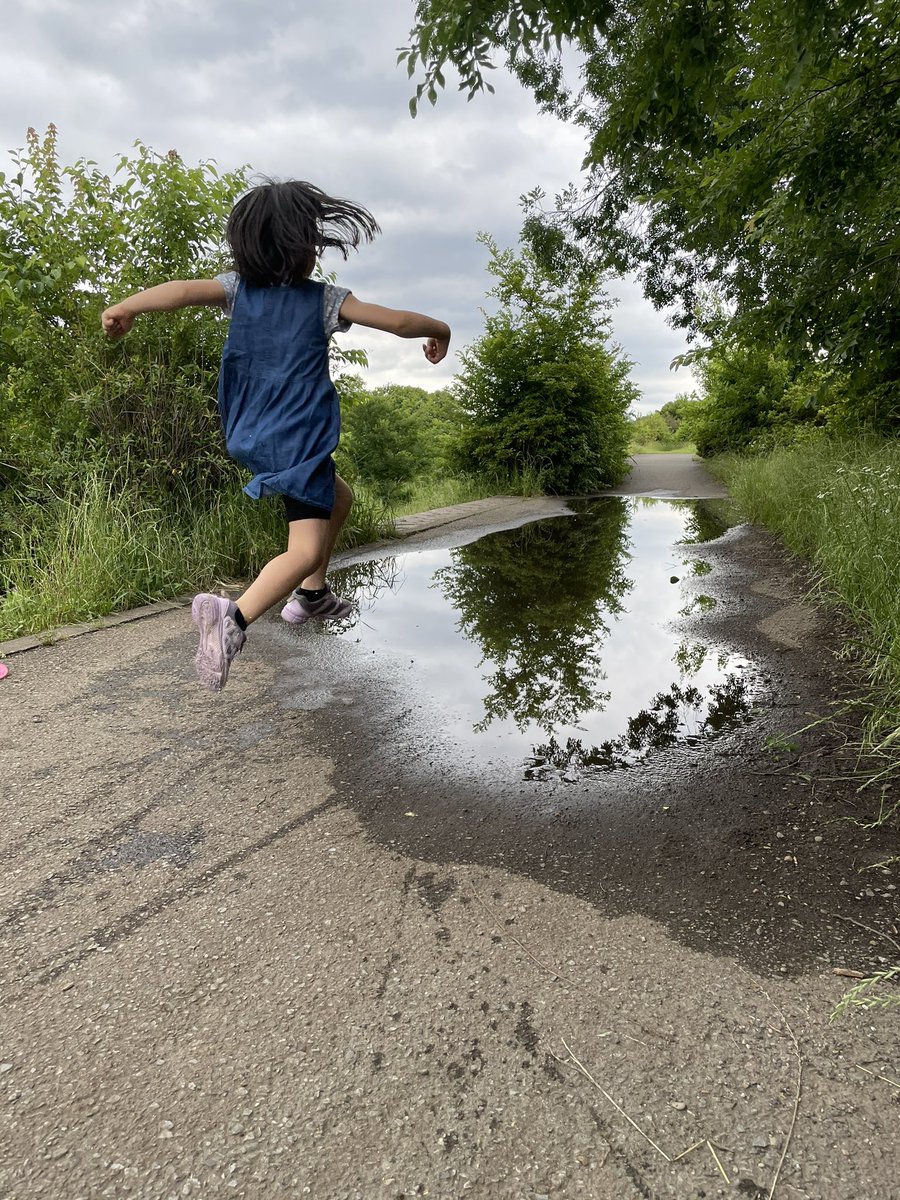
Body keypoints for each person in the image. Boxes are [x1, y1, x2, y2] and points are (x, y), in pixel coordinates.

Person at [101, 179, 450, 692]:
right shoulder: (325, 300)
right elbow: (397, 322)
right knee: (304, 549)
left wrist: (125, 307)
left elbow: (178, 293)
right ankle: (231, 620)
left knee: (340, 497)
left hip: (250, 431)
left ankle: (312, 596)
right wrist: (440, 328)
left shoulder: (237, 292)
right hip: (299, 441)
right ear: (303, 248)